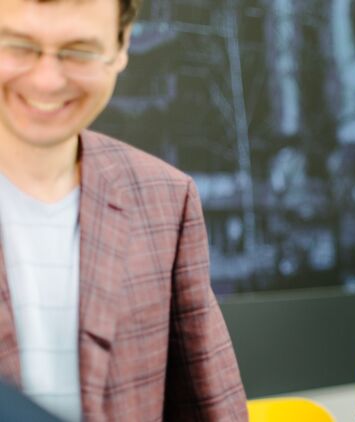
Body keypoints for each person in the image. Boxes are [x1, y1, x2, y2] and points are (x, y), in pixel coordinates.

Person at [0, 0, 248, 420]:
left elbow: (211, 407)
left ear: (121, 45)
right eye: (18, 46)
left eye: (79, 51)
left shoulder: (165, 199)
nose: (46, 80)